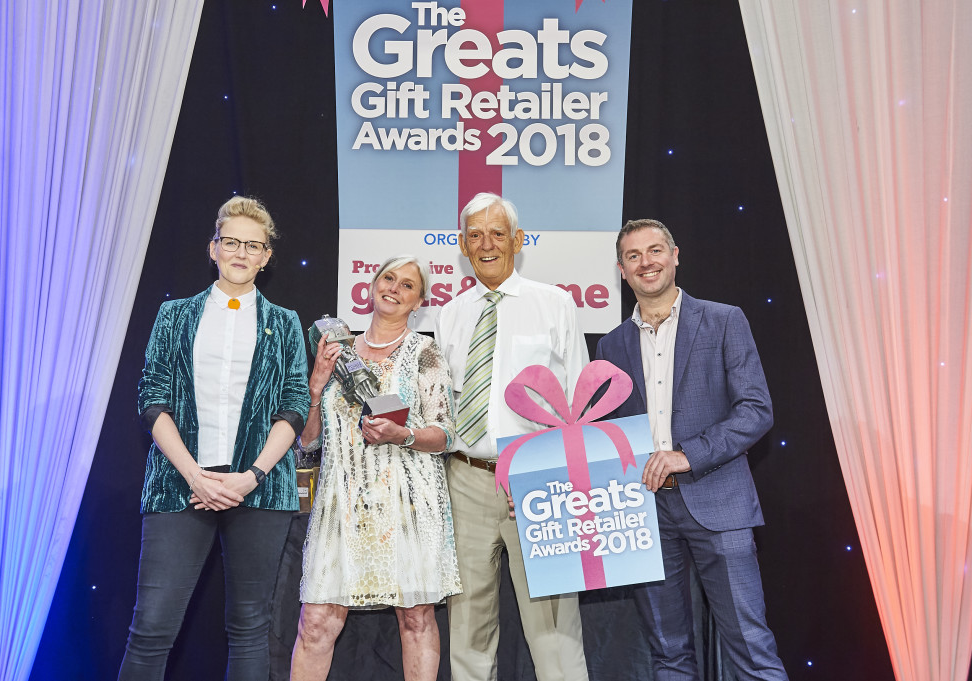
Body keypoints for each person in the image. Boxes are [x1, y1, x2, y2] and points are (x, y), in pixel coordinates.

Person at [117, 196, 309, 680]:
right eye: (231, 242)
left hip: (260, 488)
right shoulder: (174, 316)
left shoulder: (285, 323)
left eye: (253, 245)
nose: (241, 253)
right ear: (213, 248)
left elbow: (293, 406)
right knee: (151, 630)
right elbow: (151, 398)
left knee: (250, 629)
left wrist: (252, 476)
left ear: (266, 256)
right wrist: (193, 475)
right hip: (180, 484)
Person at [596, 219, 789, 680]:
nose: (647, 262)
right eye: (634, 256)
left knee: (750, 646)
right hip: (645, 513)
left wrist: (688, 454)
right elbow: (603, 434)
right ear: (621, 270)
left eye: (656, 250)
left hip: (719, 500)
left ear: (676, 255)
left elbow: (756, 410)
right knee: (667, 652)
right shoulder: (610, 345)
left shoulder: (724, 320)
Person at [434, 193, 590, 681]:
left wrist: (565, 482)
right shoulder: (450, 314)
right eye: (475, 235)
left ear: (518, 241)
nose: (486, 244)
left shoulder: (555, 303)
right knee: (468, 623)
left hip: (538, 478)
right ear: (461, 245)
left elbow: (579, 402)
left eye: (497, 233)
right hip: (466, 479)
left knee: (554, 623)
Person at [290, 255, 461, 681]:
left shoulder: (425, 353)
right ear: (370, 285)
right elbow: (307, 443)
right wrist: (316, 383)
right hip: (341, 502)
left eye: (407, 285)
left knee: (416, 619)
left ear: (420, 300)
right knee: (317, 622)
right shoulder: (336, 348)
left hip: (407, 502)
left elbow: (444, 434)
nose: (394, 289)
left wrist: (400, 435)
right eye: (388, 278)